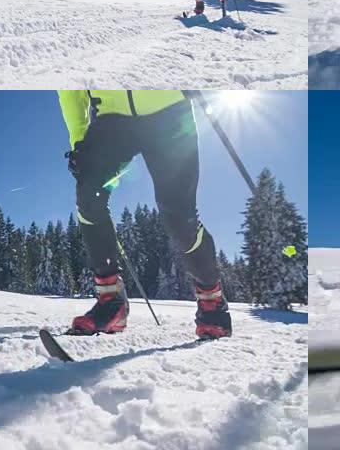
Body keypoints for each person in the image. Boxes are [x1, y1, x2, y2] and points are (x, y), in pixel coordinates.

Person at [58, 90, 232, 339]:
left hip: (169, 112)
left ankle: (211, 302)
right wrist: (79, 140)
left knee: (179, 216)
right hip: (111, 116)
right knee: (89, 196)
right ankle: (111, 302)